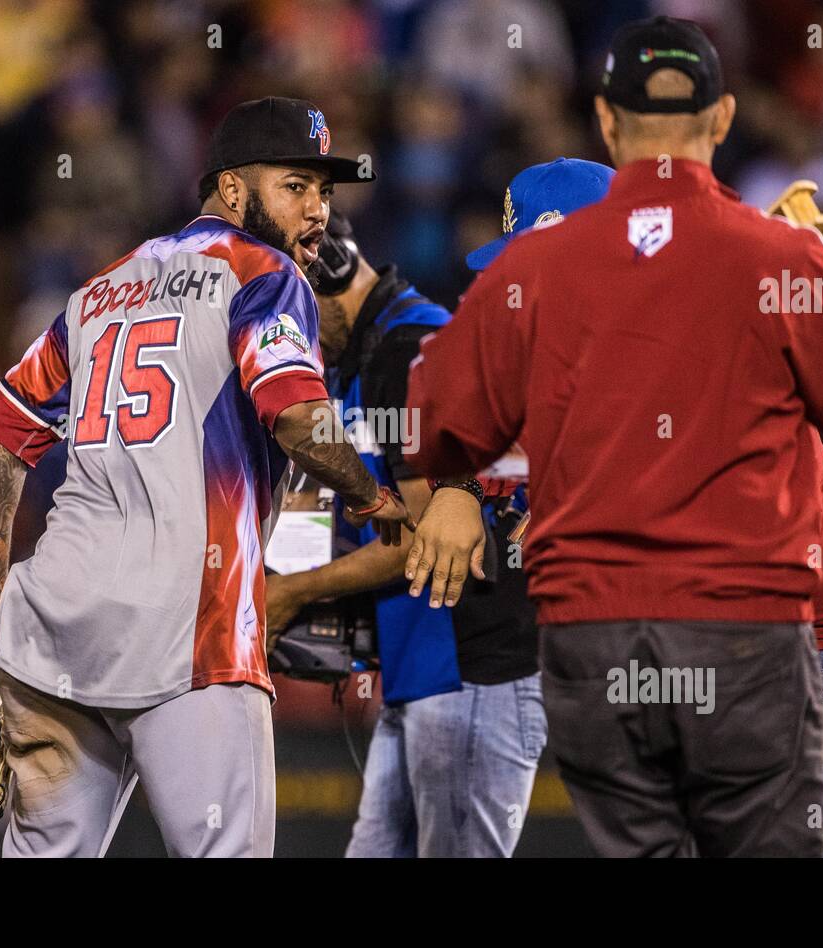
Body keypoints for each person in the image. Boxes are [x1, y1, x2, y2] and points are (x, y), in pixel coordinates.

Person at [404, 16, 823, 857]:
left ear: (609, 120)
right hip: (764, 635)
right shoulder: (772, 256)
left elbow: (431, 410)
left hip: (617, 642)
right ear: (721, 120)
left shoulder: (539, 275)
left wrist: (463, 479)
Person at [0, 97, 413, 857]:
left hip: (53, 630)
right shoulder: (265, 274)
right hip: (190, 632)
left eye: (325, 193)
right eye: (295, 186)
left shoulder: (101, 287)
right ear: (233, 190)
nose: (318, 213)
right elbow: (297, 415)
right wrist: (374, 495)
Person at [267, 173, 608, 855]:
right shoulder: (380, 353)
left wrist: (289, 593)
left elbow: (422, 533)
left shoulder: (409, 345)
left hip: (475, 665)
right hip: (430, 665)